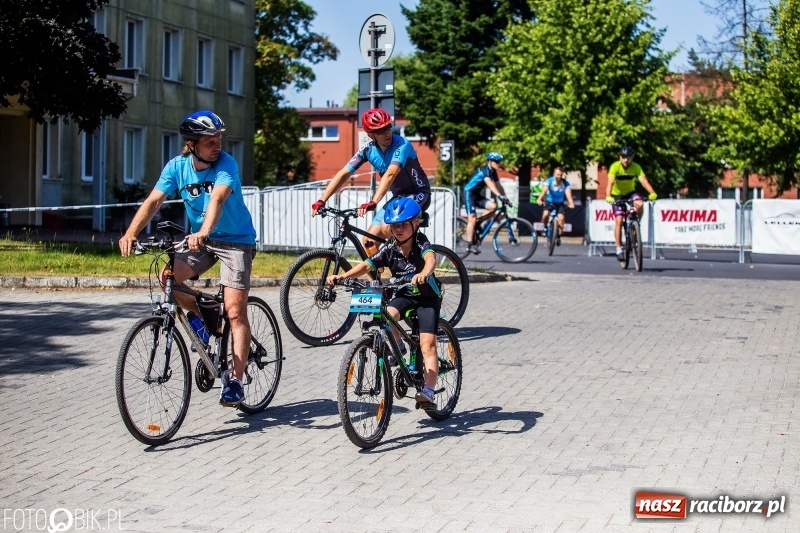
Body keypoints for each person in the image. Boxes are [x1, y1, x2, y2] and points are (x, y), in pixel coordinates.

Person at [118, 110, 257, 407]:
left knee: (234, 312)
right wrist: (130, 232)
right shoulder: (177, 167)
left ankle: (235, 380)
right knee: (167, 276)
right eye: (209, 141)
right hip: (202, 242)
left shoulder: (226, 164)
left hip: (236, 242)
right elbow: (155, 200)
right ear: (192, 144)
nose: (217, 145)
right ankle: (203, 317)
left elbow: (218, 198)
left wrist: (204, 231)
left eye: (219, 138)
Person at [326, 196, 441, 408]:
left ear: (416, 224)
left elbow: (431, 259)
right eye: (394, 225)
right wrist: (342, 277)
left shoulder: (420, 241)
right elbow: (367, 265)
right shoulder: (390, 247)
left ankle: (428, 390)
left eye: (404, 224)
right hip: (405, 294)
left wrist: (424, 273)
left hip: (426, 297)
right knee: (386, 314)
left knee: (427, 345)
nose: (398, 229)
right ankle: (398, 348)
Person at [310, 108, 431, 255]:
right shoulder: (367, 150)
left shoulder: (402, 144)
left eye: (388, 127)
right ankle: (376, 278)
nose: (386, 133)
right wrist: (322, 200)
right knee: (368, 242)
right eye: (380, 131)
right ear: (370, 134)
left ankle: (407, 264)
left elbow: (390, 174)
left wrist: (373, 202)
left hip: (418, 193)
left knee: (387, 226)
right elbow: (344, 173)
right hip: (398, 197)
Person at [605, 146, 658, 261]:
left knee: (640, 203)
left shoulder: (636, 167)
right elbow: (610, 183)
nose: (625, 160)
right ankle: (619, 248)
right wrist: (608, 196)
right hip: (616, 195)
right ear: (620, 157)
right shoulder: (615, 167)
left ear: (632, 158)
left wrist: (652, 193)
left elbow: (644, 181)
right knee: (619, 220)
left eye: (628, 158)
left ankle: (635, 224)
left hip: (630, 192)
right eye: (623, 157)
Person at [463, 152, 507, 253]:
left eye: (499, 162)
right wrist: (499, 195)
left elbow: (498, 185)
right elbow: (490, 184)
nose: (498, 164)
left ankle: (479, 223)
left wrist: (505, 197)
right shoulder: (484, 170)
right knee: (472, 218)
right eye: (496, 162)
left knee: (493, 207)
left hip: (476, 195)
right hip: (468, 193)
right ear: (490, 162)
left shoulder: (493, 172)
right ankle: (470, 245)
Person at [536, 166, 575, 245]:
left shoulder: (565, 183)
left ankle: (558, 236)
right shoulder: (549, 181)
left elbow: (568, 195)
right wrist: (539, 199)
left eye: (560, 175)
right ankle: (545, 228)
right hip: (550, 202)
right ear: (554, 174)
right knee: (546, 214)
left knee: (561, 218)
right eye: (557, 175)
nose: (559, 177)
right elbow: (544, 191)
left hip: (559, 204)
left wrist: (571, 203)